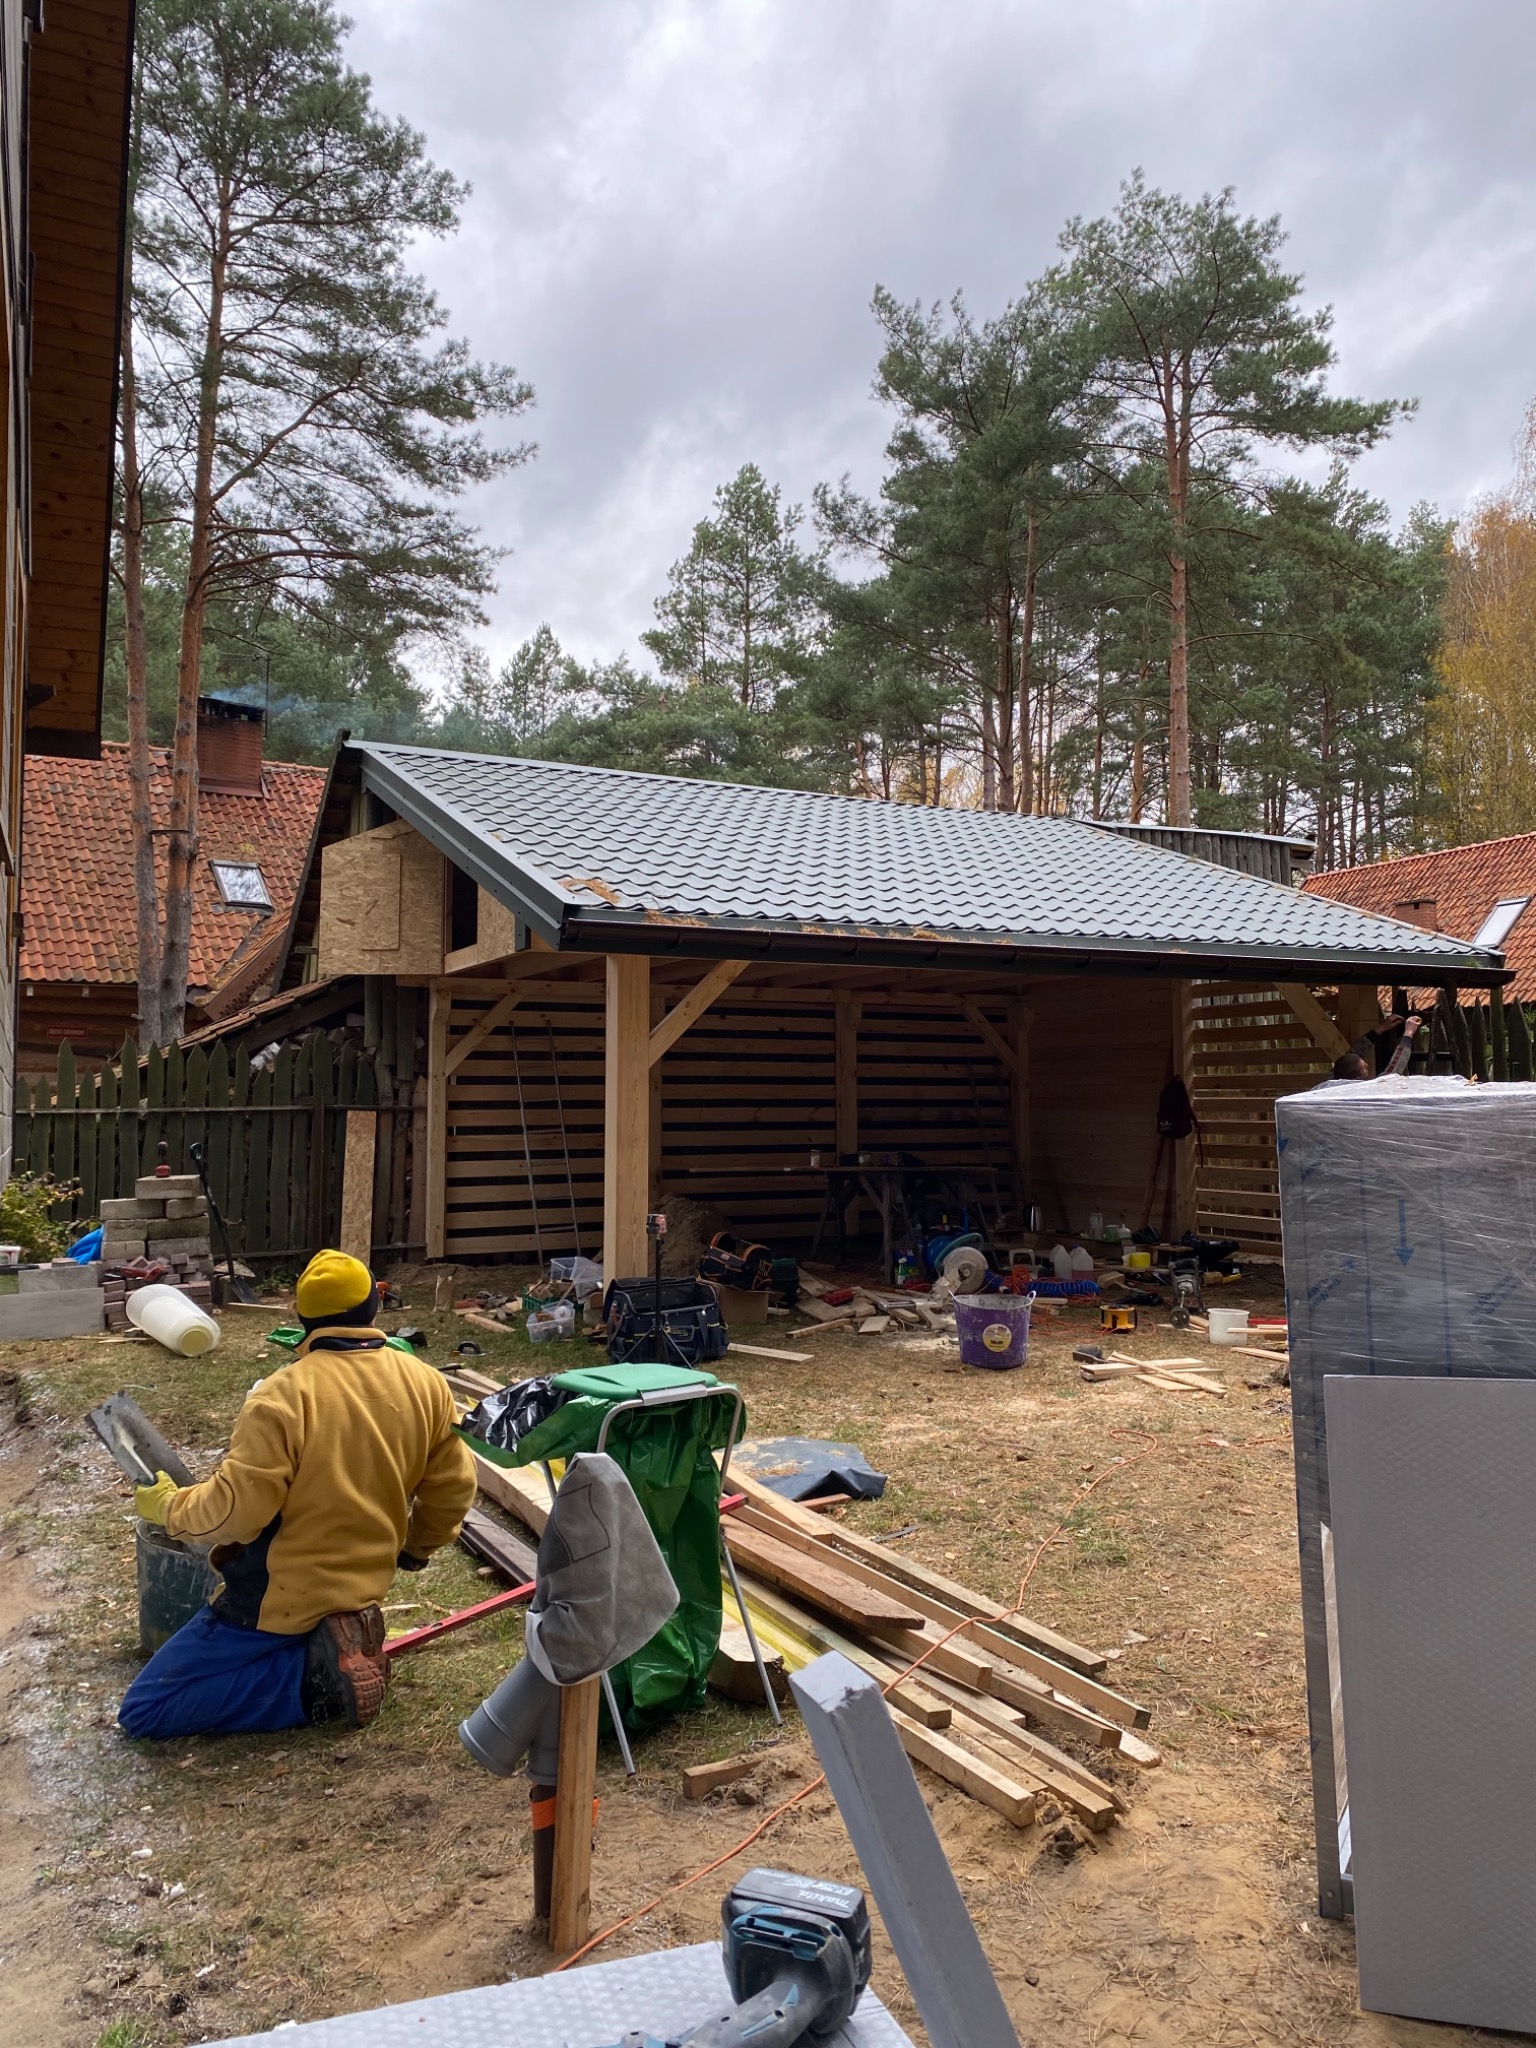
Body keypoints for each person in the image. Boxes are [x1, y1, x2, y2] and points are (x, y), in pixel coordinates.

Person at [118, 1252, 475, 1741]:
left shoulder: (283, 1395)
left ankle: (312, 1682)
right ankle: (333, 1641)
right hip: (363, 1587)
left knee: (146, 1709)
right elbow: (453, 1488)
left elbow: (238, 1514)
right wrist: (416, 1549)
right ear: (375, 1308)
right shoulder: (427, 1384)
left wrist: (169, 1509)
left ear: (302, 1320)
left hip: (276, 1601)